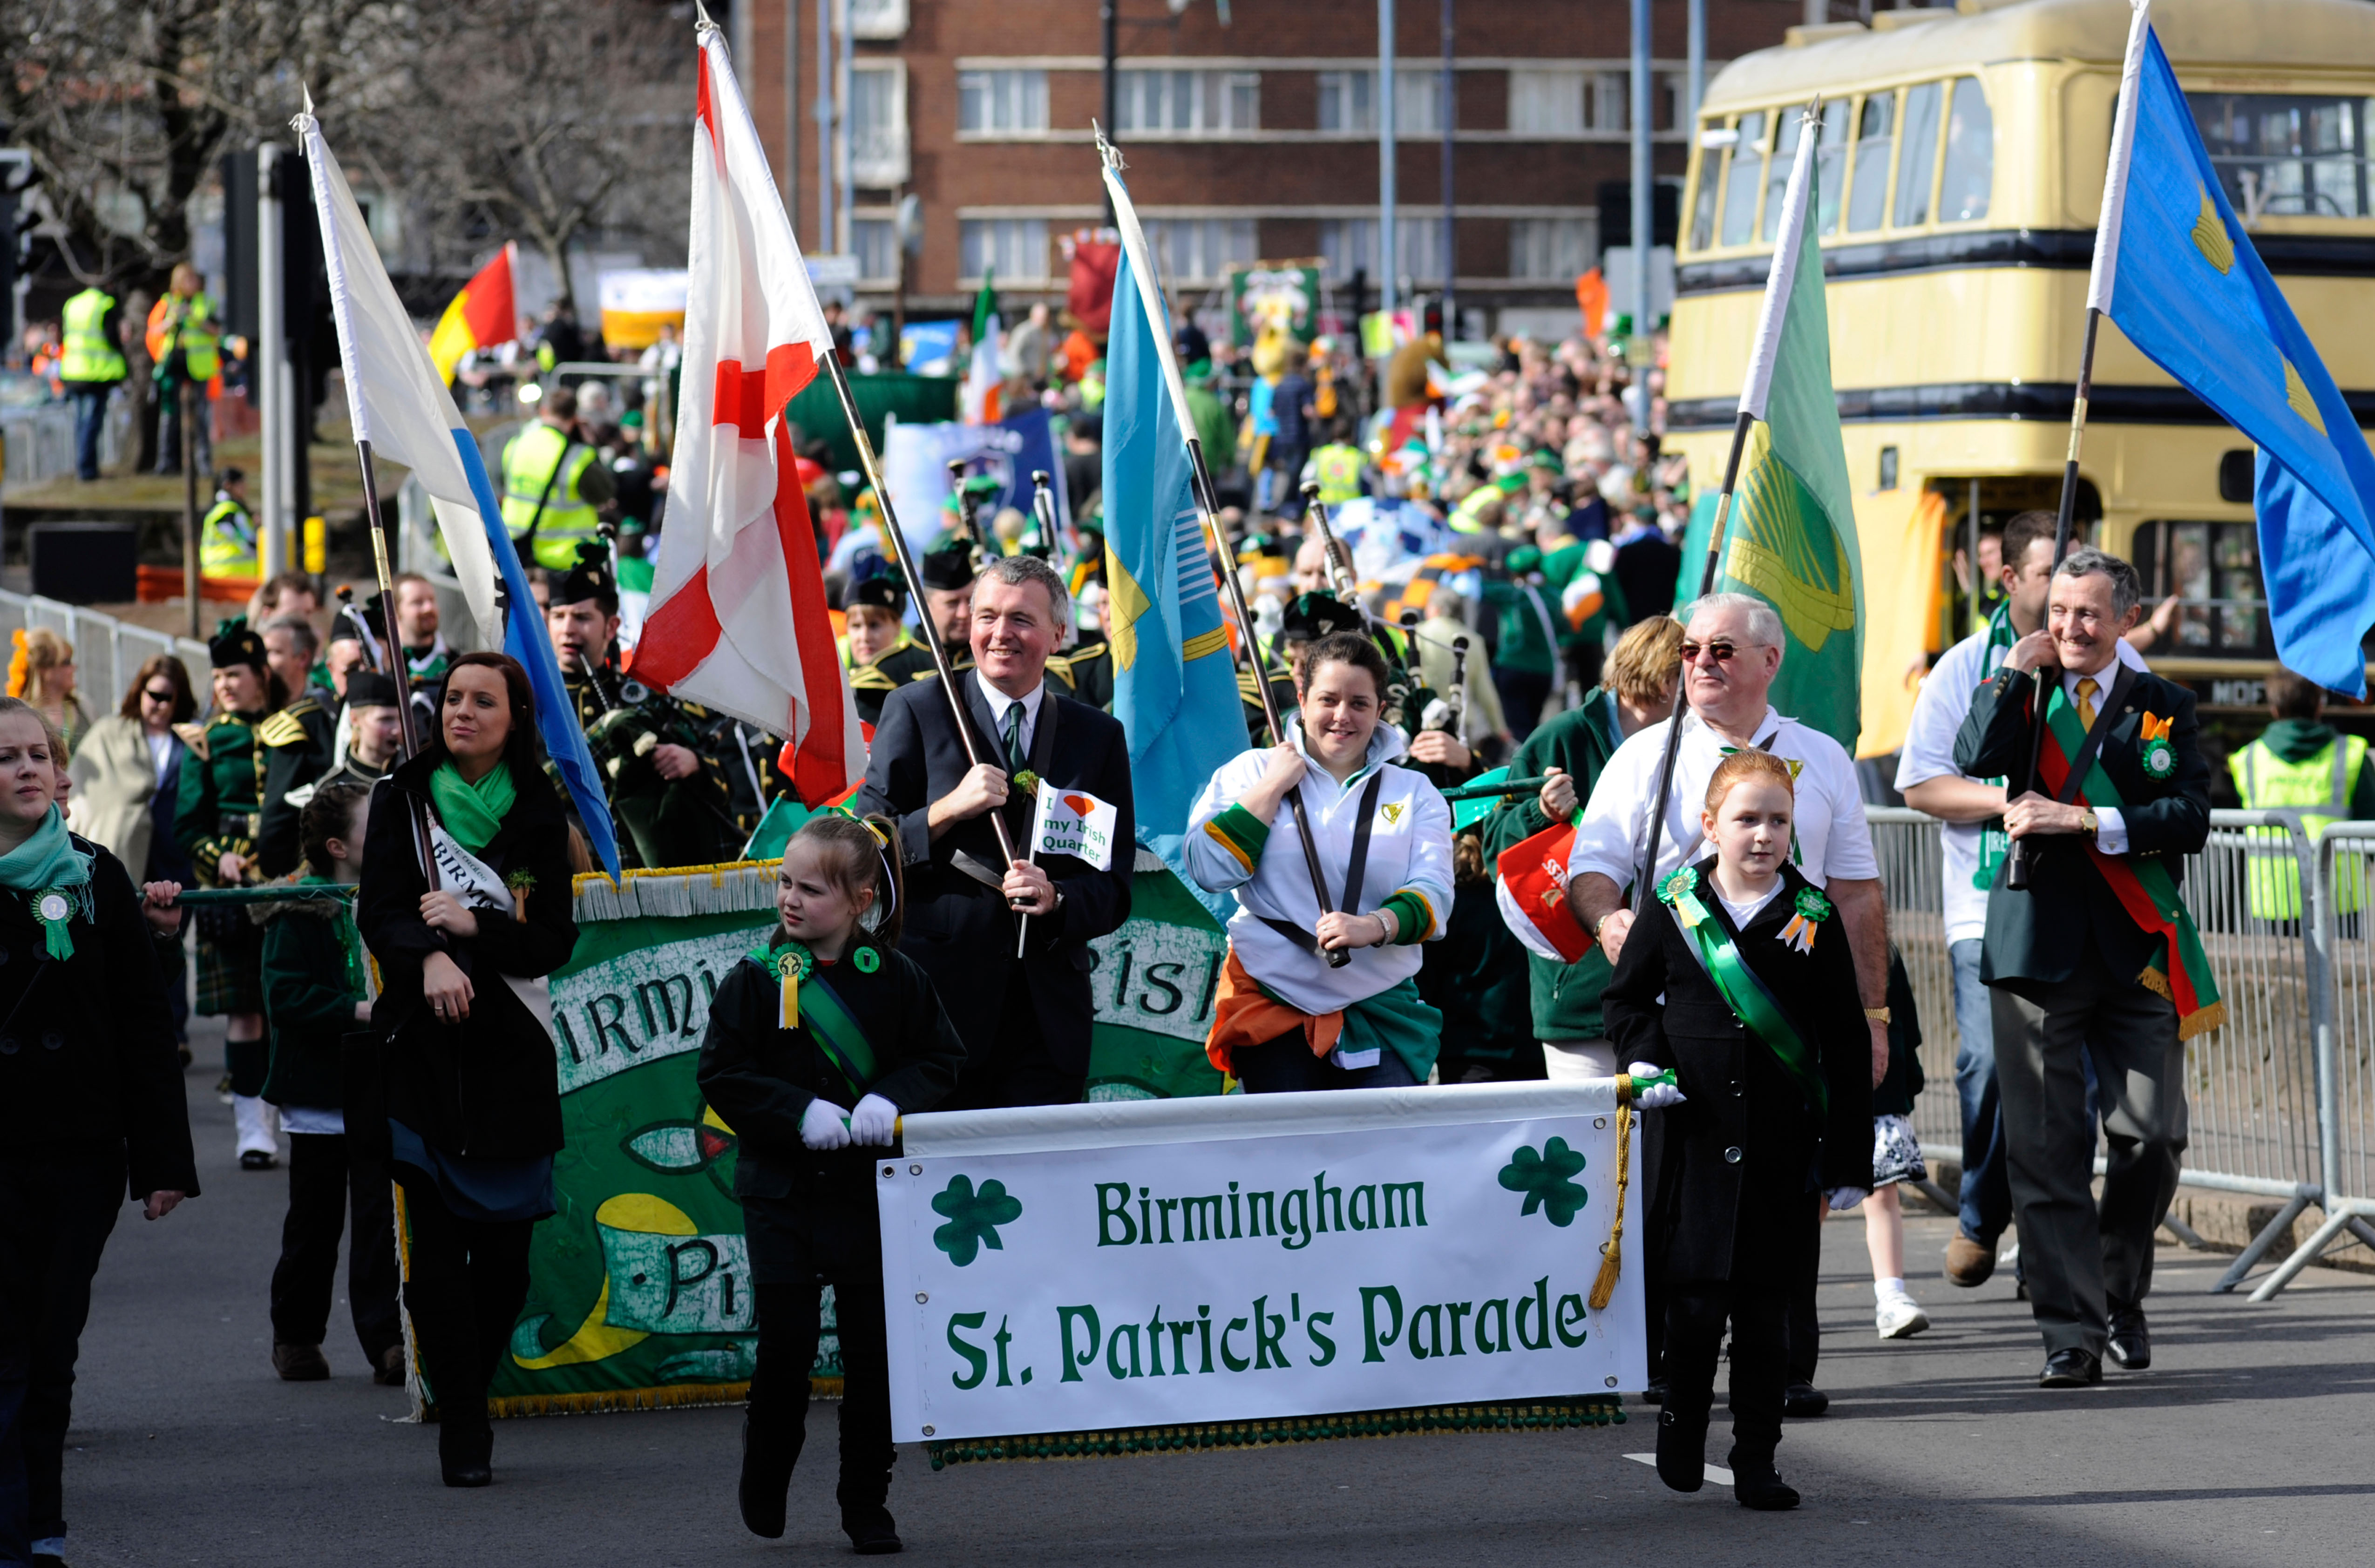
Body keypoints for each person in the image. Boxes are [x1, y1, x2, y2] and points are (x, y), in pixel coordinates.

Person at [1570, 593, 1890, 1417]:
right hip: (1688, 1012)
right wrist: (1611, 920)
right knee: (1679, 1195)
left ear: (1769, 661)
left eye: (1721, 649)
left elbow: (1854, 889)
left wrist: (1876, 1012)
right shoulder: (1648, 753)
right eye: (1691, 650)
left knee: (1786, 1196)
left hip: (1792, 1015)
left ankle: (1782, 1365)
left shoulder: (1819, 755)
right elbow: (1594, 866)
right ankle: (1671, 1365)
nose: (1701, 663)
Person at [1954, 546, 2213, 1387]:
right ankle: (2071, 1329)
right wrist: (2011, 670)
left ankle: (2116, 1286)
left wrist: (2084, 817)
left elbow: (2188, 817)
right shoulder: (2024, 695)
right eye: (2059, 610)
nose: (2069, 626)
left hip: (2135, 949)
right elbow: (1970, 756)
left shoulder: (2163, 706)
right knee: (2045, 1144)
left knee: (2152, 1134)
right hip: (2036, 949)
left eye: (2089, 613)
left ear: (2126, 621)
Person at [1602, 750, 1873, 1512]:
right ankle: (1681, 1423)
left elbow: (1845, 1040)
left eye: (1779, 820)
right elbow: (1626, 1002)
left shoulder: (1813, 916)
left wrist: (1849, 1153)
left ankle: (1758, 1457)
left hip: (1781, 1148)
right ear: (1710, 825)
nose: (1763, 835)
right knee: (1692, 1307)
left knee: (1765, 1314)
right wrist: (1648, 1061)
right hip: (1693, 1138)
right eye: (1747, 819)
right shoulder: (1675, 902)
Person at [697, 814, 965, 1552]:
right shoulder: (754, 978)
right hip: (781, 1190)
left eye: (811, 890)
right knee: (786, 1345)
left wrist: (892, 1098)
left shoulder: (898, 980)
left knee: (872, 1354)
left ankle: (865, 1502)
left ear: (859, 900)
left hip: (866, 1195)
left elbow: (942, 1059)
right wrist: (794, 1111)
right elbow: (721, 1073)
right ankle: (768, 1464)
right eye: (785, 882)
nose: (790, 899)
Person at [1896, 510, 2148, 1289]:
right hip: (1987, 904)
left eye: (2081, 582)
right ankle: (1982, 1209)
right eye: (2051, 578)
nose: (2068, 595)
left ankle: (2051, 1259)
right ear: (2010, 580)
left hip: (2083, 907)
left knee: (2066, 1087)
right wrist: (2007, 797)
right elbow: (1922, 781)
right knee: (1987, 1065)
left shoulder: (2123, 662)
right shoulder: (1963, 666)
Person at [357, 652, 579, 1485]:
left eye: (483, 701)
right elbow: (379, 908)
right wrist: (428, 959)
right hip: (423, 1051)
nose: (463, 712)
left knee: (508, 1264)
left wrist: (478, 925)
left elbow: (554, 938)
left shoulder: (537, 806)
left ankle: (465, 1387)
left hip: (512, 1050)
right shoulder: (401, 798)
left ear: (515, 716)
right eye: (453, 697)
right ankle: (465, 1421)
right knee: (440, 1256)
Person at [0, 696, 197, 1568]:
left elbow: (143, 1028)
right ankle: (20, 1532)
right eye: (7, 758)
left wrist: (162, 1160)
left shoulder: (94, 873)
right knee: (3, 1347)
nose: (28, 769)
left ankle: (41, 1519)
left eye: (39, 753)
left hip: (80, 1149)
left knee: (51, 1343)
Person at [850, 554, 1136, 1109]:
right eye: (987, 616)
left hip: (1048, 1023)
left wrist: (1058, 898)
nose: (1000, 633)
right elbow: (863, 852)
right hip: (937, 1015)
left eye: (1021, 619)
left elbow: (1113, 888)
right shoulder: (917, 708)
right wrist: (947, 810)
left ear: (1058, 633)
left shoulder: (1096, 735)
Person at [1189, 632, 1453, 1092]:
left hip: (1380, 1004)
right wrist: (1271, 789)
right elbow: (1209, 869)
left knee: (1384, 1160)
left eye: (1359, 703)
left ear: (1381, 708)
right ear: (1302, 699)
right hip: (1272, 996)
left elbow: (1435, 894)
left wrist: (1375, 925)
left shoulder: (1414, 791)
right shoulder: (1250, 772)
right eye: (1328, 699)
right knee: (1282, 1159)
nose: (1342, 716)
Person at [1483, 615, 1684, 1081]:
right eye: (1688, 669)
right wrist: (1539, 813)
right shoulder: (1564, 735)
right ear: (1663, 680)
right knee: (1588, 1142)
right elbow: (1494, 845)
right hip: (1580, 1000)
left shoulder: (1693, 745)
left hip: (1673, 992)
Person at [256, 780, 403, 1387]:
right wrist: (358, 1009)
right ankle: (296, 1334)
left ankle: (388, 1339)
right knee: (315, 1223)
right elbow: (285, 997)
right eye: (377, 827)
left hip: (379, 1086)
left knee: (379, 1219)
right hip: (319, 1087)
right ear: (340, 846)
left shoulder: (395, 898)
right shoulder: (298, 909)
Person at [545, 543, 739, 869]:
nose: (568, 629)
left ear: (611, 628)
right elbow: (531, 791)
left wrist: (693, 762)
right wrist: (607, 733)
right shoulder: (530, 701)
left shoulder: (644, 694)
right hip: (566, 865)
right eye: (559, 617)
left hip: (644, 872)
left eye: (582, 618)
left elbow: (723, 775)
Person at [176, 620, 281, 1170]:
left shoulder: (296, 727)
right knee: (244, 1012)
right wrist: (220, 856)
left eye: (234, 674)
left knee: (286, 1004)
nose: (224, 685)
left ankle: (291, 1112)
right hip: (231, 890)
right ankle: (253, 1127)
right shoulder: (205, 740)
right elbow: (188, 825)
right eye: (217, 675)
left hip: (289, 880)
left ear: (260, 674)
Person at [2228, 665, 2375, 924]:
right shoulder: (2352, 755)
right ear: (2320, 705)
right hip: (2339, 899)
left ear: (2274, 709)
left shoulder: (2247, 760)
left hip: (2272, 899)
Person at [260, 669, 402, 877]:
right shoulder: (334, 788)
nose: (397, 730)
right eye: (386, 720)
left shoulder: (408, 779)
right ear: (355, 719)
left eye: (400, 720)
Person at [499, 385, 614, 570]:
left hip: (517, 553)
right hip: (565, 560)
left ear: (544, 411)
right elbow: (604, 494)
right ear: (575, 417)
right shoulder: (579, 456)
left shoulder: (516, 445)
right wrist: (591, 442)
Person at [148, 263, 220, 477]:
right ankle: (166, 463)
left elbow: (216, 330)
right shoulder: (167, 303)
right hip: (173, 365)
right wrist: (171, 321)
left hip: (198, 367)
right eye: (187, 280)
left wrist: (194, 318)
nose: (192, 284)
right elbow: (153, 330)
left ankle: (203, 464)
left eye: (193, 279)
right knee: (169, 416)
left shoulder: (205, 303)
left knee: (201, 417)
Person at [841, 571, 938, 728]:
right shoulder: (837, 672)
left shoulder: (913, 675)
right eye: (856, 626)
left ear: (897, 627)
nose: (865, 637)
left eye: (875, 626)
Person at [58, 284, 127, 483]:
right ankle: (86, 469)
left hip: (72, 371)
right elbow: (112, 337)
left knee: (80, 422)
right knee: (91, 423)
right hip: (96, 373)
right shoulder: (105, 304)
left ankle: (83, 466)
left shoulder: (73, 304)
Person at [16, 629, 92, 755]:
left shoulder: (84, 707)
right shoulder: (22, 718)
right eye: (66, 663)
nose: (74, 667)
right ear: (45, 671)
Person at [201, 468, 260, 581]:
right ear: (228, 485)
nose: (246, 487)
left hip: (216, 573)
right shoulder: (229, 510)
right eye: (241, 483)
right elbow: (248, 542)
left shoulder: (218, 509)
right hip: (233, 575)